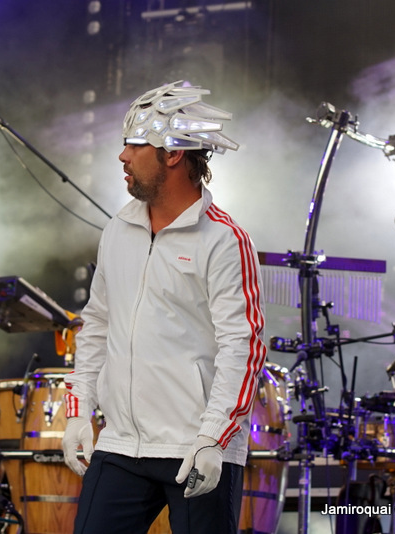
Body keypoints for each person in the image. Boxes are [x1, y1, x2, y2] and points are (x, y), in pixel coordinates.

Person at [62, 81, 267, 533]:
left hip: (196, 447)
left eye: (135, 144)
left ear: (172, 154)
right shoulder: (118, 229)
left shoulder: (225, 240)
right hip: (121, 445)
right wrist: (79, 408)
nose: (123, 156)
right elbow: (96, 324)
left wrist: (213, 437)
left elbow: (244, 346)